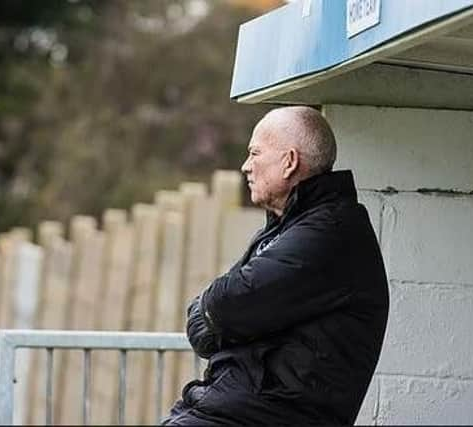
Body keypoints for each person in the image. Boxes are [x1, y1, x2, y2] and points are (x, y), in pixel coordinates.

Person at [162, 106, 389, 426]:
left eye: (255, 153)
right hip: (233, 409)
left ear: (289, 162)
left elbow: (225, 306)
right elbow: (205, 330)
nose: (245, 166)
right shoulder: (287, 229)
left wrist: (219, 315)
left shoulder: (329, 233)